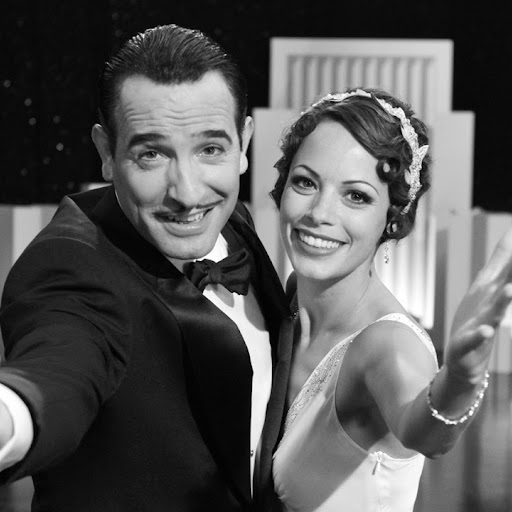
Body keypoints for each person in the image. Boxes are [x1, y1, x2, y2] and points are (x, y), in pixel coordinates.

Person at [0, 24, 293, 511]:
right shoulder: (70, 266)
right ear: (106, 153)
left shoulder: (231, 219)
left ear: (243, 144)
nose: (188, 193)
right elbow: (60, 369)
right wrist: (13, 414)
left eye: (210, 149)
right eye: (152, 154)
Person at [270, 87, 512, 511]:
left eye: (356, 196)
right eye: (306, 182)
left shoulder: (388, 345)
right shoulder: (283, 307)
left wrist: (460, 379)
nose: (320, 213)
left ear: (392, 219)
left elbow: (425, 433)